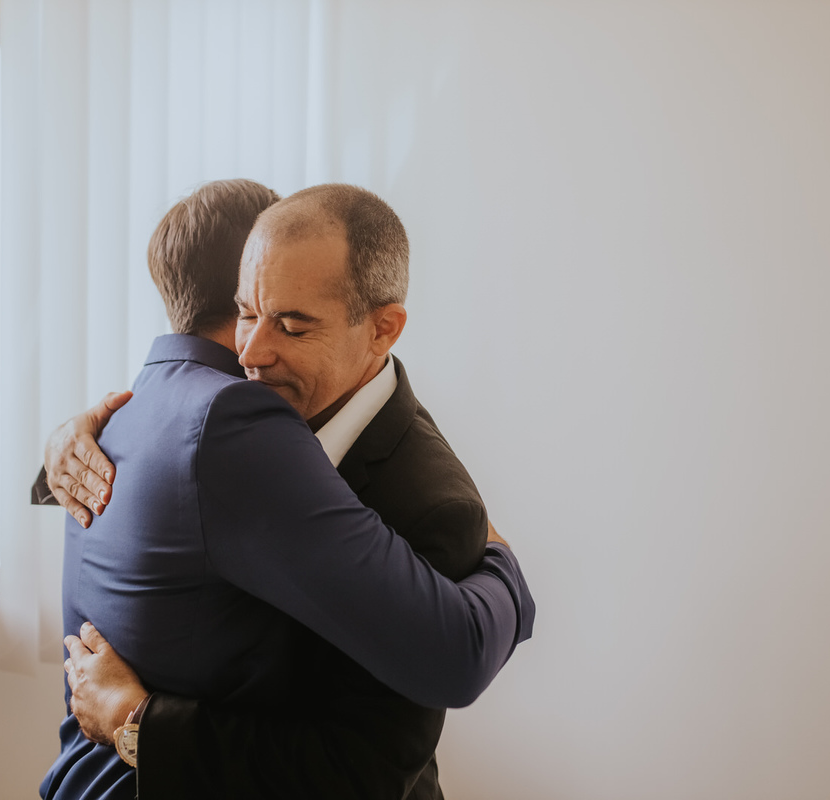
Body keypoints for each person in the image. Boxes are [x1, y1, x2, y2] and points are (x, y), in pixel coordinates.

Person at [35, 180, 534, 800]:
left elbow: (364, 770)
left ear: (382, 329)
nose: (250, 351)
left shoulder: (432, 504)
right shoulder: (184, 421)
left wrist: (507, 569)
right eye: (247, 312)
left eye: (292, 325)